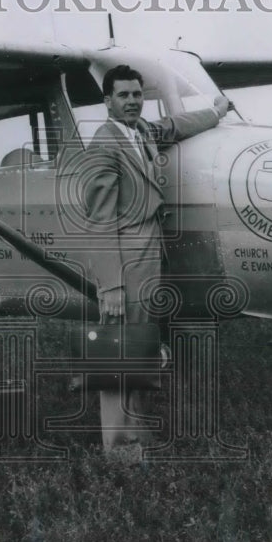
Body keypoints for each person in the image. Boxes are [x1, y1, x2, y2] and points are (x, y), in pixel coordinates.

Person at [83, 64, 229, 453]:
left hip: (148, 262)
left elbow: (175, 126)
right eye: (123, 95)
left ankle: (139, 439)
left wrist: (215, 112)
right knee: (120, 355)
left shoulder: (141, 132)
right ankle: (119, 449)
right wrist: (111, 285)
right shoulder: (104, 144)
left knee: (141, 352)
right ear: (107, 101)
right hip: (127, 267)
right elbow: (98, 222)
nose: (132, 102)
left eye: (137, 95)